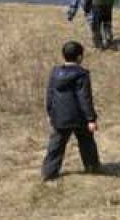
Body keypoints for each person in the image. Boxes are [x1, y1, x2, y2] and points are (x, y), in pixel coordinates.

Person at [41, 41, 100, 181]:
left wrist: (50, 113)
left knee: (56, 146)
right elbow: (84, 98)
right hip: (79, 117)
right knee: (86, 142)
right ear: (79, 57)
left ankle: (49, 172)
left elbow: (50, 94)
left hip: (60, 116)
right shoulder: (82, 74)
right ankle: (92, 167)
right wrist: (91, 119)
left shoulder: (55, 73)